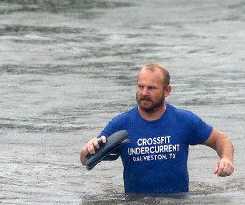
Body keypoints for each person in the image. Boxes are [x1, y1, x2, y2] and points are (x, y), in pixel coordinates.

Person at [79, 63, 235, 194]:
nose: (144, 93)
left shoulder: (184, 120)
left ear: (167, 91)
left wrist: (226, 158)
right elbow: (86, 160)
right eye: (140, 87)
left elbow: (221, 140)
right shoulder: (122, 123)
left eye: (151, 88)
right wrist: (88, 148)